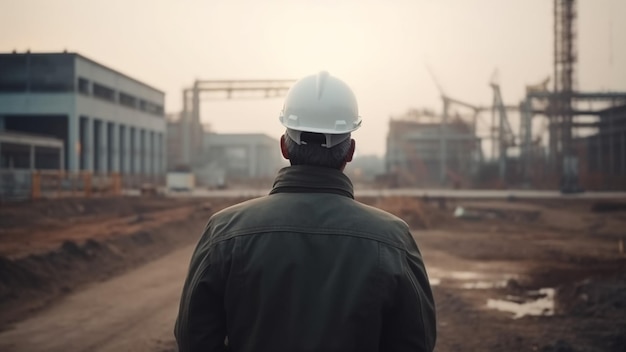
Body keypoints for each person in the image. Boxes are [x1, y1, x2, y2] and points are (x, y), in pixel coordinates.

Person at [174, 71, 436, 352]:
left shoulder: (225, 232)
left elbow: (194, 339)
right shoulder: (392, 239)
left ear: (284, 146)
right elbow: (415, 342)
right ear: (350, 152)